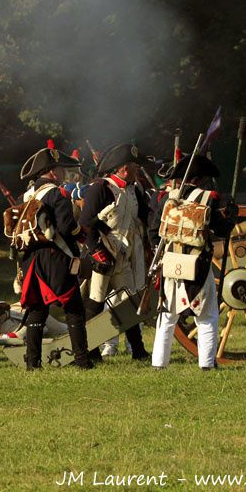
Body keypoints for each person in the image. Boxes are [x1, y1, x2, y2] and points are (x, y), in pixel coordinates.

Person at [150, 155, 236, 370]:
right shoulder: (209, 199)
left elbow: (153, 233)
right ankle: (206, 364)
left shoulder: (166, 199)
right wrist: (232, 216)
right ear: (199, 180)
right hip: (198, 263)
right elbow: (221, 230)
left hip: (170, 262)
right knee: (207, 316)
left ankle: (159, 363)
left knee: (167, 315)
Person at [15, 139, 93, 370]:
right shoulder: (56, 194)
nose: (62, 173)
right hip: (56, 257)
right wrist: (82, 232)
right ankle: (83, 361)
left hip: (31, 260)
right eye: (59, 169)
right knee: (74, 309)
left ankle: (33, 363)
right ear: (51, 171)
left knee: (37, 311)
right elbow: (67, 227)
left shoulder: (24, 197)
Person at [79, 143, 150, 361]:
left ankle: (137, 350)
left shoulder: (135, 189)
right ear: (123, 168)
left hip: (125, 255)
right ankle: (90, 350)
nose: (136, 170)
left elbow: (143, 220)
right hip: (104, 253)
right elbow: (85, 224)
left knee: (127, 303)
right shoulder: (101, 188)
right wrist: (97, 251)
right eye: (133, 166)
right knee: (95, 303)